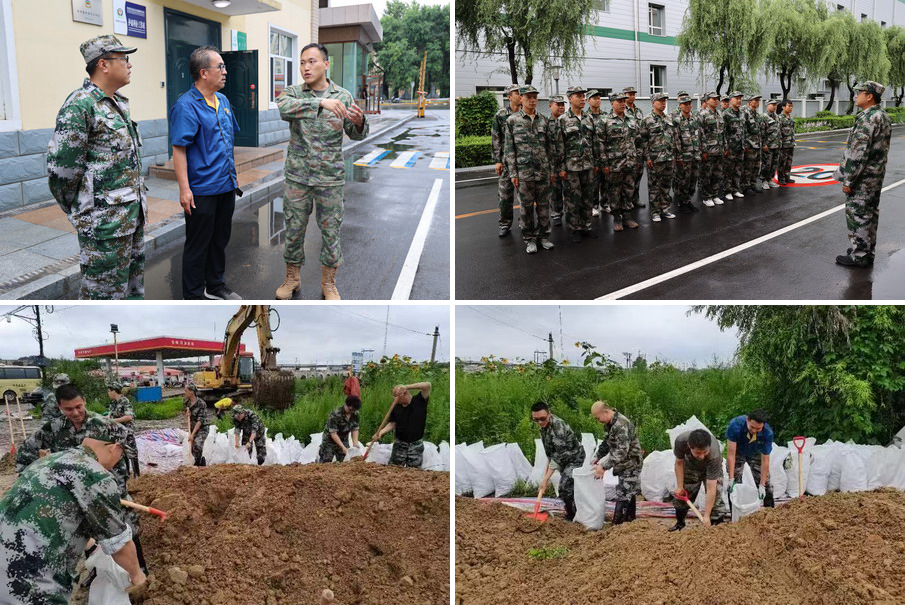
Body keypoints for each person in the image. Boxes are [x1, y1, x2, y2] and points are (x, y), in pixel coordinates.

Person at [47, 35, 145, 300]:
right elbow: (61, 171)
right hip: (103, 225)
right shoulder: (80, 105)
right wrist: (83, 210)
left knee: (132, 292)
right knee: (102, 297)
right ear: (103, 64)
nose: (129, 64)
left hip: (130, 218)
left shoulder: (119, 103)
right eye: (124, 59)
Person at [0, 433, 146, 603]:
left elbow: (57, 517)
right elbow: (119, 543)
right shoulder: (95, 475)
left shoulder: (52, 459)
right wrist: (137, 576)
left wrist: (92, 546)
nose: (118, 462)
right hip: (29, 574)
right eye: (121, 456)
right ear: (115, 448)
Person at [275, 43, 369, 300]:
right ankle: (292, 278)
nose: (306, 67)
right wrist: (320, 103)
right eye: (303, 62)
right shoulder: (293, 93)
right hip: (298, 177)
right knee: (294, 229)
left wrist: (360, 123)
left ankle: (329, 283)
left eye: (312, 61)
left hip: (330, 178)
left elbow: (355, 133)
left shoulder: (344, 96)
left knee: (331, 233)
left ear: (326, 65)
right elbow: (283, 108)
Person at [169, 45, 242, 301]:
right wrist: (184, 189)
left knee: (220, 239)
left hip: (226, 184)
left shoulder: (223, 101)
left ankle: (216, 284)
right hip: (201, 188)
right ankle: (192, 294)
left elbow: (227, 139)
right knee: (198, 244)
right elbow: (179, 149)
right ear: (203, 72)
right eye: (220, 67)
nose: (225, 71)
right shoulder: (186, 106)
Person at [833, 81, 891, 268]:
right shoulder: (881, 115)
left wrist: (848, 180)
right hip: (874, 177)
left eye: (860, 92)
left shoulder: (868, 118)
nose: (855, 95)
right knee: (870, 214)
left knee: (858, 214)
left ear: (870, 96)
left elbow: (858, 154)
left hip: (862, 179)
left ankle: (860, 256)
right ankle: (865, 250)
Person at [504, 85, 556, 254]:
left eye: (535, 97)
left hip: (542, 171)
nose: (532, 100)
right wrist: (513, 173)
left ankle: (543, 236)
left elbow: (550, 147)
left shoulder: (544, 120)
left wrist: (552, 170)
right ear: (521, 99)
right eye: (528, 97)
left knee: (543, 205)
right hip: (524, 172)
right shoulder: (512, 121)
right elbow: (509, 149)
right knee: (526, 208)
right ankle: (530, 238)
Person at [555, 86, 599, 243]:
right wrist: (560, 168)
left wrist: (596, 162)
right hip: (571, 167)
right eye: (578, 96)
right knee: (573, 199)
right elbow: (559, 146)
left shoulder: (589, 118)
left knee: (588, 198)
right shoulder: (562, 120)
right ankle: (574, 229)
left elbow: (594, 142)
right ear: (570, 98)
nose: (582, 99)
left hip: (587, 165)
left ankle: (586, 226)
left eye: (583, 96)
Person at [590, 402, 644, 525]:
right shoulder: (609, 423)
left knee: (623, 494)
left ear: (605, 412)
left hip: (631, 463)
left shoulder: (620, 424)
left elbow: (621, 451)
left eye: (597, 418)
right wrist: (597, 457)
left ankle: (617, 526)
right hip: (623, 464)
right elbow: (607, 442)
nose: (598, 421)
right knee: (627, 492)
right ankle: (630, 521)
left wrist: (603, 466)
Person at [531, 401, 585, 522]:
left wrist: (545, 479)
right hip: (562, 459)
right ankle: (573, 511)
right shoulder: (544, 427)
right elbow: (552, 453)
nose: (540, 422)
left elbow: (558, 456)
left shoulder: (558, 428)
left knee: (565, 487)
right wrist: (546, 474)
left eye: (542, 418)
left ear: (549, 414)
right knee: (569, 487)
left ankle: (574, 516)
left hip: (574, 458)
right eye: (536, 420)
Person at [670, 428, 727, 531]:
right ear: (689, 446)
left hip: (711, 467)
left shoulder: (714, 455)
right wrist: (679, 486)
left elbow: (711, 488)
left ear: (709, 447)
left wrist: (706, 515)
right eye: (697, 453)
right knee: (682, 495)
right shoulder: (680, 441)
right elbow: (679, 463)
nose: (701, 456)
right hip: (690, 466)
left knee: (716, 495)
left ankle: (716, 526)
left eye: (705, 452)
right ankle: (680, 523)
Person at [600, 92, 641, 232]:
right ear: (612, 103)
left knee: (629, 190)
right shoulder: (605, 121)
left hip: (630, 162)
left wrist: (637, 157)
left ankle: (628, 217)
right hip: (614, 164)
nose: (623, 104)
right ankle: (617, 218)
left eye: (624, 101)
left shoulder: (631, 119)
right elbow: (600, 144)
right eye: (619, 101)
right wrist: (604, 164)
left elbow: (638, 140)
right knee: (615, 191)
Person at [371, 382, 432, 467]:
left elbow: (427, 385)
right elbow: (392, 423)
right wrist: (380, 432)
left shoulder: (420, 400)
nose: (395, 399)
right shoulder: (396, 407)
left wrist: (407, 386)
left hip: (416, 444)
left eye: (397, 396)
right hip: (400, 444)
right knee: (393, 468)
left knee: (414, 472)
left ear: (405, 393)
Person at [639, 92, 679, 222]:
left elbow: (672, 138)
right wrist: (647, 158)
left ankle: (665, 209)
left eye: (664, 101)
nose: (663, 103)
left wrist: (673, 155)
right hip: (655, 159)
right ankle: (655, 211)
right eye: (660, 101)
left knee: (666, 185)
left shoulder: (668, 119)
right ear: (653, 103)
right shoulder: (646, 120)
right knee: (654, 186)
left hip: (668, 157)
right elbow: (643, 141)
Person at [725, 409, 774, 507]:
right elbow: (731, 454)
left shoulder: (767, 433)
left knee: (767, 484)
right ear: (747, 420)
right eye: (752, 427)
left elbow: (765, 461)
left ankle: (770, 512)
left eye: (758, 429)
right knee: (734, 485)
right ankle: (735, 513)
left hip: (756, 452)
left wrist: (762, 485)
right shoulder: (735, 425)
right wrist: (731, 478)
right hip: (738, 451)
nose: (754, 431)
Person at [493, 85, 522, 237]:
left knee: (525, 196)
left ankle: (524, 222)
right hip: (506, 161)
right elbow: (496, 137)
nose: (520, 96)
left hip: (524, 161)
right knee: (505, 195)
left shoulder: (527, 113)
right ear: (509, 97)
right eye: (517, 93)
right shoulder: (501, 114)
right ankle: (505, 223)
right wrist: (497, 160)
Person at [673, 93, 702, 214]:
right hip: (684, 156)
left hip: (695, 155)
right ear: (680, 105)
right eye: (685, 104)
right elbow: (676, 140)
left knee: (692, 180)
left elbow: (700, 136)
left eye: (689, 104)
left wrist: (700, 152)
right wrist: (679, 156)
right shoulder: (676, 120)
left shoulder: (695, 119)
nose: (688, 106)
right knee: (683, 180)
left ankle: (688, 200)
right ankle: (681, 201)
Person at [697, 91, 726, 207]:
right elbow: (700, 133)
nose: (715, 100)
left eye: (717, 98)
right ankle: (707, 197)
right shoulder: (702, 114)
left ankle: (715, 195)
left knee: (717, 174)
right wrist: (703, 150)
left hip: (719, 149)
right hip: (708, 150)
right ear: (707, 100)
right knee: (707, 175)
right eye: (712, 99)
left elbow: (723, 132)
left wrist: (725, 146)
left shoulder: (719, 114)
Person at [106, 380, 139, 477]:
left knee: (132, 453)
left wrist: (113, 421)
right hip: (117, 433)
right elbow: (109, 415)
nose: (108, 393)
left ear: (114, 391)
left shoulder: (125, 401)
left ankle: (137, 476)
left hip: (127, 432)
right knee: (121, 455)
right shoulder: (113, 403)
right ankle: (127, 475)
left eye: (109, 391)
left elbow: (129, 417)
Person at [584, 89, 607, 218]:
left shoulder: (605, 115)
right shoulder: (585, 116)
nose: (597, 100)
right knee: (593, 182)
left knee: (606, 181)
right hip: (591, 154)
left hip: (604, 153)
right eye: (594, 98)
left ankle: (605, 203)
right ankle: (594, 205)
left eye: (599, 98)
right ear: (588, 101)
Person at [622, 86, 646, 209]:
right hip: (627, 150)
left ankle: (635, 199)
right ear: (624, 95)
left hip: (639, 149)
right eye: (629, 94)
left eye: (633, 94)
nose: (632, 97)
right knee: (628, 178)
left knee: (638, 175)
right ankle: (627, 201)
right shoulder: (622, 110)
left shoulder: (639, 111)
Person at [318, 396, 362, 462]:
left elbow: (355, 429)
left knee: (345, 460)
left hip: (344, 439)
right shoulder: (335, 414)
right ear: (346, 405)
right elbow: (333, 433)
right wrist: (342, 447)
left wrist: (355, 443)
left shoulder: (355, 414)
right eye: (350, 410)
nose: (352, 412)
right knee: (326, 461)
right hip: (330, 441)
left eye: (354, 410)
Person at [722, 91, 746, 200]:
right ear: (731, 100)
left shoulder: (741, 113)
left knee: (738, 169)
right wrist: (725, 147)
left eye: (740, 98)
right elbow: (723, 132)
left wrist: (744, 144)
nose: (739, 100)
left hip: (740, 146)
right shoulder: (725, 114)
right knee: (728, 170)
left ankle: (735, 189)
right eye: (736, 98)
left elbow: (743, 130)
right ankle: (727, 191)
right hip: (730, 147)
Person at [547, 95, 567, 224]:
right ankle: (556, 213)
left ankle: (571, 214)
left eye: (562, 105)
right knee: (555, 189)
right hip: (552, 162)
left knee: (570, 189)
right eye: (557, 105)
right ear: (550, 106)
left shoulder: (567, 121)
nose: (561, 107)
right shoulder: (545, 123)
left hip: (567, 160)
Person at [741, 94, 764, 196]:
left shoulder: (757, 114)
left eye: (758, 101)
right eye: (754, 100)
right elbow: (743, 130)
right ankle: (745, 187)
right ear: (749, 101)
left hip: (757, 145)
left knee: (756, 166)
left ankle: (752, 184)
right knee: (748, 167)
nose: (757, 102)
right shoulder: (745, 113)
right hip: (749, 145)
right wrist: (745, 144)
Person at [184, 384, 210, 466]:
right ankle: (199, 460)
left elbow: (200, 421)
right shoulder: (186, 402)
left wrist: (192, 434)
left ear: (192, 392)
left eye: (186, 391)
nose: (185, 393)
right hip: (192, 427)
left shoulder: (201, 404)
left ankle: (200, 463)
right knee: (192, 448)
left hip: (202, 428)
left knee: (198, 444)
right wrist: (187, 413)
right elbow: (186, 412)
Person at [759, 100, 781, 189]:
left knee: (774, 164)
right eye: (772, 105)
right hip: (768, 145)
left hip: (776, 144)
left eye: (775, 105)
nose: (774, 106)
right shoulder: (763, 117)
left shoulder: (777, 117)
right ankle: (764, 180)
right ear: (767, 106)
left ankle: (770, 179)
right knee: (766, 164)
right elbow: (761, 132)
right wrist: (763, 144)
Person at [776, 100, 796, 185]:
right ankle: (781, 178)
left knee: (789, 162)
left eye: (791, 106)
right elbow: (778, 132)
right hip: (783, 144)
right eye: (789, 106)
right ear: (783, 107)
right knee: (782, 162)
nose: (790, 108)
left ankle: (787, 177)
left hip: (790, 143)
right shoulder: (780, 118)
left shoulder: (790, 118)